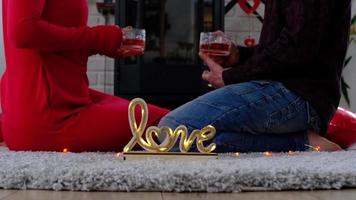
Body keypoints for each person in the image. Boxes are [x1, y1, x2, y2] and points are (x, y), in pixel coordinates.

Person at [159, 0, 351, 152]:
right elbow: (287, 47)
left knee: (174, 130)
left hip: (298, 95)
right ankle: (302, 141)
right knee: (175, 134)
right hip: (288, 91)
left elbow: (296, 49)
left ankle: (301, 144)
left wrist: (229, 77)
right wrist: (239, 56)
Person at [1, 0, 169, 152]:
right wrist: (98, 38)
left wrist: (105, 43)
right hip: (50, 116)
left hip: (62, 96)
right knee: (172, 125)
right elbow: (23, 31)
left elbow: (51, 45)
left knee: (162, 118)